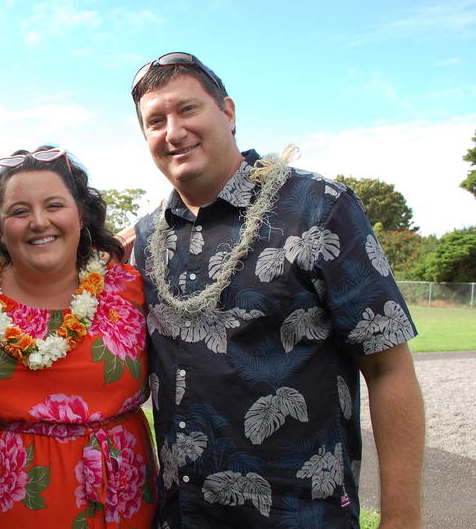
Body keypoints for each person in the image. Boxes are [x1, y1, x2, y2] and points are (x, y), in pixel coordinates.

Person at [129, 53, 425, 527]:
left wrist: (402, 519)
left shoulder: (317, 208)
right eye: (155, 121)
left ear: (227, 112)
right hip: (181, 516)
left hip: (300, 515)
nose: (174, 132)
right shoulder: (148, 237)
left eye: (187, 109)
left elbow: (388, 367)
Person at [0, 146, 157, 527]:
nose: (38, 221)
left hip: (115, 509)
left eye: (54, 205)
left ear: (80, 214)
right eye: (19, 211)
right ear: (1, 226)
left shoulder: (129, 289)